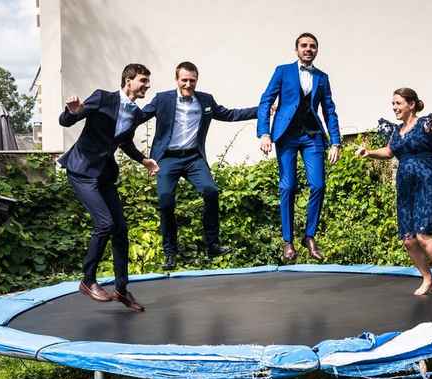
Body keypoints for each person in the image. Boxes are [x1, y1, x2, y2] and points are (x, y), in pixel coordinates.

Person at [58, 63, 159, 312]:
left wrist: (143, 159)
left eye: (148, 81)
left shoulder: (135, 113)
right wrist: (71, 111)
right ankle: (88, 280)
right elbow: (67, 120)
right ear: (128, 81)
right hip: (81, 171)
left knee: (120, 230)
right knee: (105, 224)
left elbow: (123, 141)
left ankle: (122, 289)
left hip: (104, 175)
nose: (147, 85)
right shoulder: (103, 98)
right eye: (143, 81)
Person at [140, 61, 258, 270]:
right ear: (177, 80)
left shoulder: (205, 100)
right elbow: (139, 117)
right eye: (184, 80)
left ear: (197, 80)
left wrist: (262, 110)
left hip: (193, 158)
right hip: (167, 158)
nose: (188, 84)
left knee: (211, 191)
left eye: (192, 80)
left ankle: (211, 244)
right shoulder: (163, 99)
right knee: (166, 201)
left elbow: (229, 114)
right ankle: (170, 252)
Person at [356, 88, 432, 295]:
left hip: (429, 182)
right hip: (406, 187)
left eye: (398, 103)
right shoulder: (396, 132)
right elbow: (389, 152)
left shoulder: (427, 124)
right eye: (393, 104)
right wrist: (369, 152)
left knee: (423, 234)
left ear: (411, 104)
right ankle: (427, 278)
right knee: (408, 239)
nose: (394, 108)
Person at [257, 32, 341, 261]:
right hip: (287, 136)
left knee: (319, 184)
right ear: (297, 50)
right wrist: (264, 132)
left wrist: (335, 141)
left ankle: (309, 236)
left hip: (312, 136)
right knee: (288, 186)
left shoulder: (322, 77)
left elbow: (329, 110)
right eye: (304, 46)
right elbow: (266, 100)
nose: (308, 49)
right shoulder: (283, 71)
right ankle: (288, 241)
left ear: (316, 51)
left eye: (312, 46)